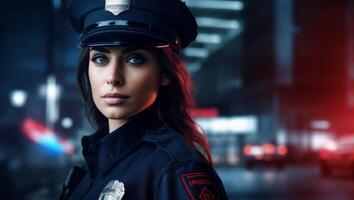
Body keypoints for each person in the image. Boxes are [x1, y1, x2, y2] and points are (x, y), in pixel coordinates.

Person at [59, 0, 229, 199]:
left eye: (134, 59)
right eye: (100, 59)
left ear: (165, 73)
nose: (113, 77)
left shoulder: (176, 171)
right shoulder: (92, 166)